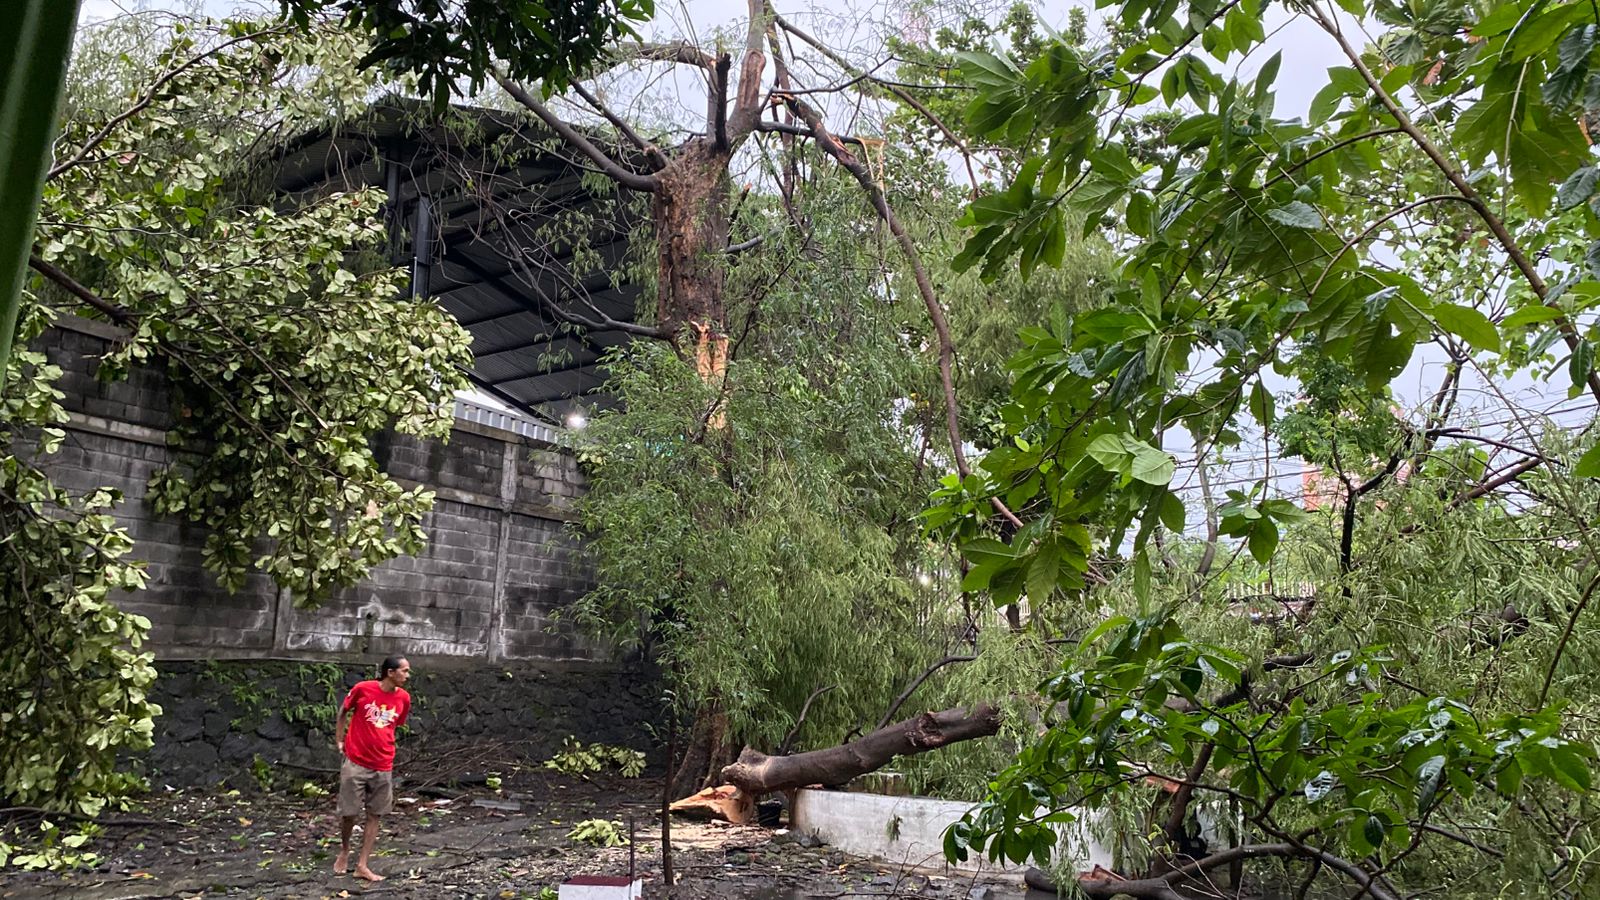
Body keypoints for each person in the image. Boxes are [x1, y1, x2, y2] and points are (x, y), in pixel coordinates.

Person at [333, 656, 412, 881]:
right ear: (390, 672)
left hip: (383, 763)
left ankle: (362, 864)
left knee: (375, 814)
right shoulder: (363, 689)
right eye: (404, 671)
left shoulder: (403, 698)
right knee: (349, 813)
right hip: (356, 761)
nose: (407, 676)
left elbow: (394, 725)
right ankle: (345, 850)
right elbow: (343, 711)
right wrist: (339, 740)